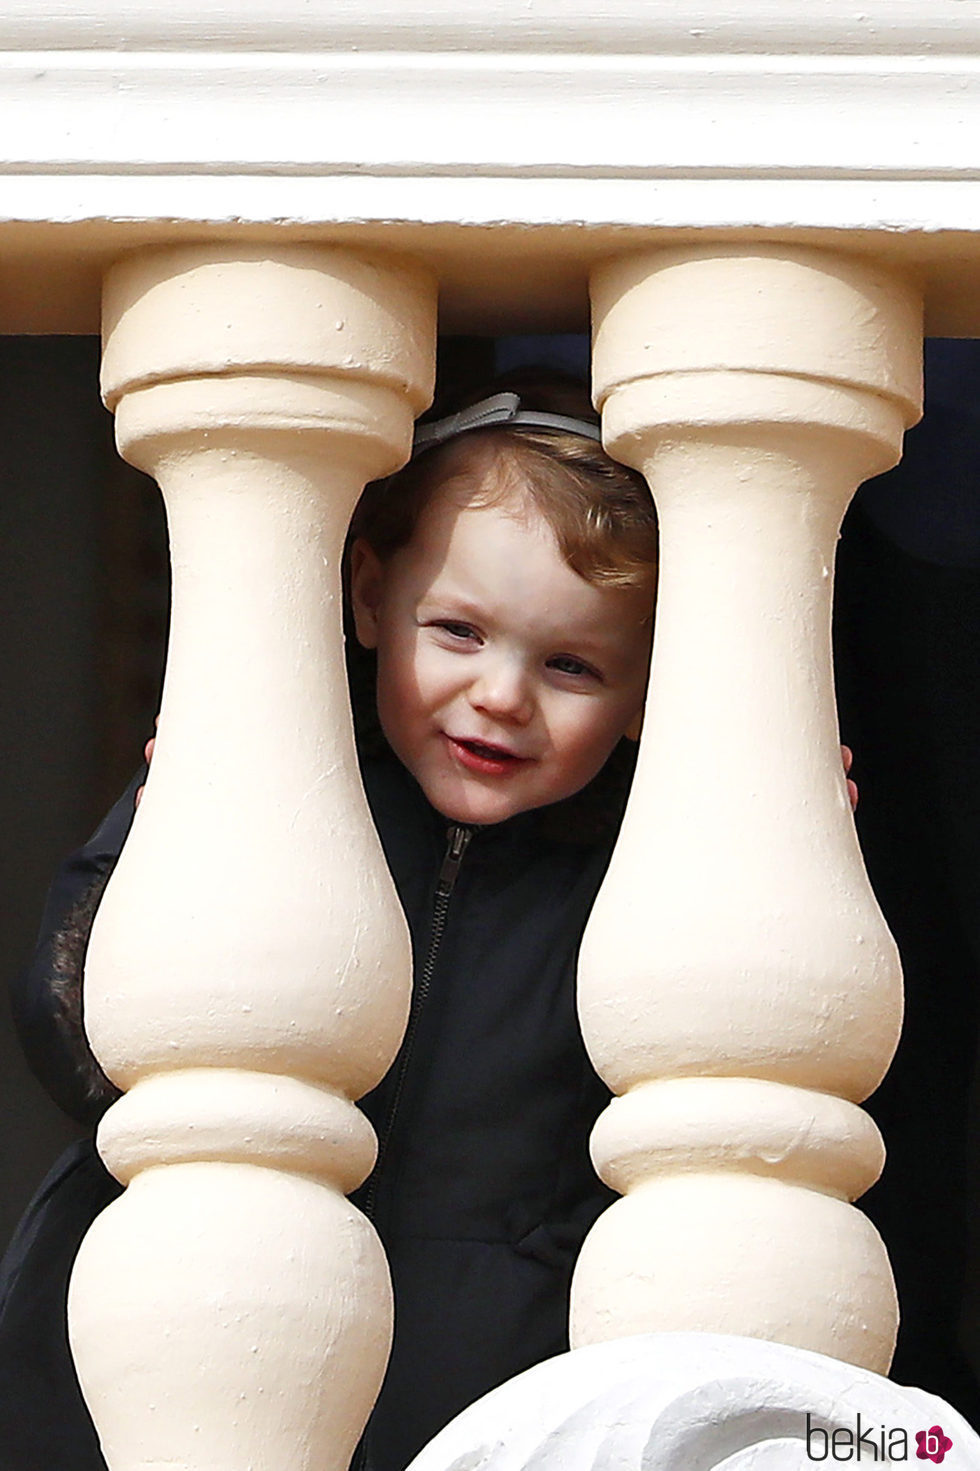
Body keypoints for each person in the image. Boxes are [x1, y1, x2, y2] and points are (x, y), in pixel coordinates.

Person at [1, 373, 660, 1471]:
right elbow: (67, 1028)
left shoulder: (638, 866)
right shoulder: (285, 779)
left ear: (647, 689)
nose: (501, 693)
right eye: (457, 631)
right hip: (172, 1325)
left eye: (571, 665)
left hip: (472, 1374)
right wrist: (167, 831)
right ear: (367, 595)